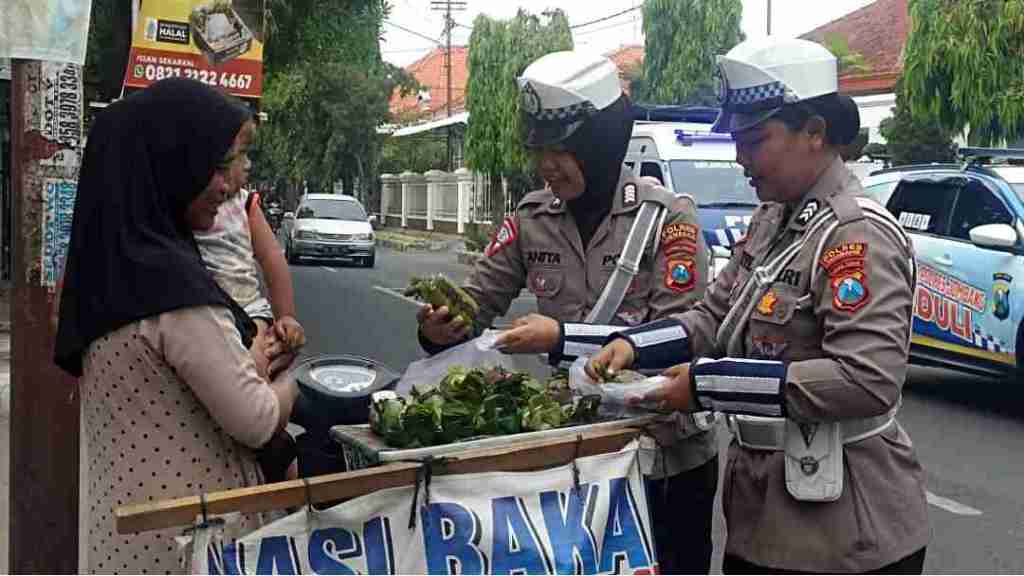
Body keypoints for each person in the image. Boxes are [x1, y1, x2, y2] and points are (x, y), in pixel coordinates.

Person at [586, 38, 930, 574]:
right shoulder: (773, 220)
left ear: (814, 132)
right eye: (737, 141)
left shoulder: (855, 234)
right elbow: (712, 316)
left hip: (843, 533)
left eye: (754, 140)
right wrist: (632, 347)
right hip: (762, 514)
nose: (740, 158)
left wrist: (705, 385)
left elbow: (866, 379)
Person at [417, 50, 719, 574]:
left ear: (600, 144)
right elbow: (477, 301)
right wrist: (439, 327)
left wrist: (560, 338)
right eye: (538, 150)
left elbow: (679, 337)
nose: (546, 165)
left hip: (662, 463)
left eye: (560, 150)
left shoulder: (667, 219)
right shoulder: (531, 218)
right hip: (574, 462)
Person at [54, 78, 298, 574]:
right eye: (214, 166)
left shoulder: (104, 278)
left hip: (123, 547)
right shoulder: (174, 292)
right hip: (189, 553)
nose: (227, 186)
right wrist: (296, 382)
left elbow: (167, 393)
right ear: (170, 163)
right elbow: (254, 418)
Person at [193, 116, 305, 482]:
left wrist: (286, 316)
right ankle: (270, 445)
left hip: (249, 310)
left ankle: (275, 450)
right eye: (237, 155)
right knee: (251, 382)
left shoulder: (244, 204)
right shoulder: (187, 206)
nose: (247, 164)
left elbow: (272, 258)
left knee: (259, 363)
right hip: (212, 311)